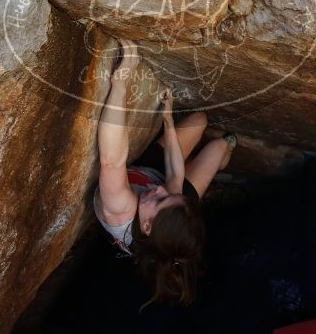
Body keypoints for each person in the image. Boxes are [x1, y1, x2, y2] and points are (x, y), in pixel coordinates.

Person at [94, 39, 236, 310]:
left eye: (160, 201)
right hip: (149, 174)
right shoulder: (165, 203)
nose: (161, 193)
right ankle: (213, 158)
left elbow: (112, 160)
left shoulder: (119, 209)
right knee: (200, 121)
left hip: (139, 177)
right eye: (169, 198)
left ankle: (223, 157)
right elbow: (173, 173)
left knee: (219, 146)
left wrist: (120, 82)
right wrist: (168, 121)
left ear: (147, 227)